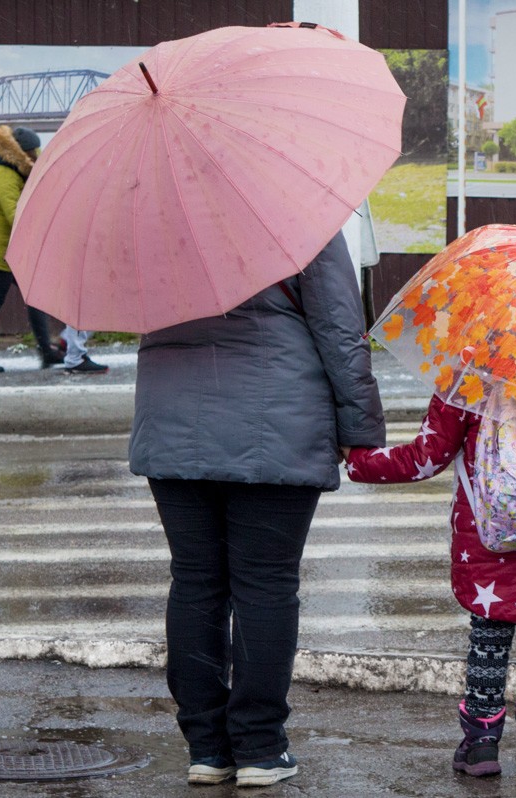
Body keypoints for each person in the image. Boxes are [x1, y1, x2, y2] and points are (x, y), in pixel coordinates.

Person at [127, 231, 385, 788]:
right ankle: (260, 748)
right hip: (277, 418)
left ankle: (207, 749)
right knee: (265, 586)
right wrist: (360, 429)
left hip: (171, 416)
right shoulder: (295, 214)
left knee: (195, 583)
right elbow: (340, 330)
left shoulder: (151, 217)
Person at [344, 396, 516, 777]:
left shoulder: (468, 380)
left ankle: (480, 744)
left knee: (488, 639)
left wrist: (358, 459)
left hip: (489, 533)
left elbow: (425, 456)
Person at [0, 125, 64, 374]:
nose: (35, 156)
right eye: (31, 152)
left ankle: (46, 351)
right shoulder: (3, 175)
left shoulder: (16, 173)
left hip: (14, 251)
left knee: (35, 299)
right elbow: (14, 214)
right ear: (19, 153)